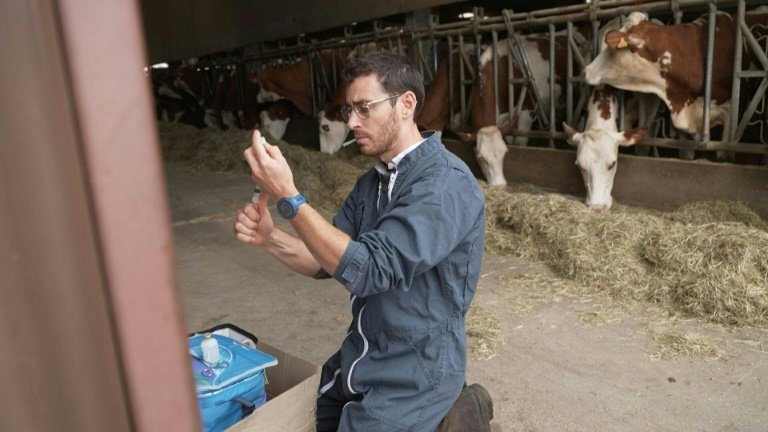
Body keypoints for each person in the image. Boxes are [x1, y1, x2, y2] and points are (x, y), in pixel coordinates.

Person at [234, 51, 491, 431]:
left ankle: (453, 414)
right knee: (300, 417)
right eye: (349, 110)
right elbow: (326, 259)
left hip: (416, 367)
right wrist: (270, 237)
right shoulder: (373, 182)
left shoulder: (445, 183)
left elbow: (369, 270)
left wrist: (290, 197)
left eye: (364, 108)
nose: (352, 121)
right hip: (364, 350)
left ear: (406, 105)